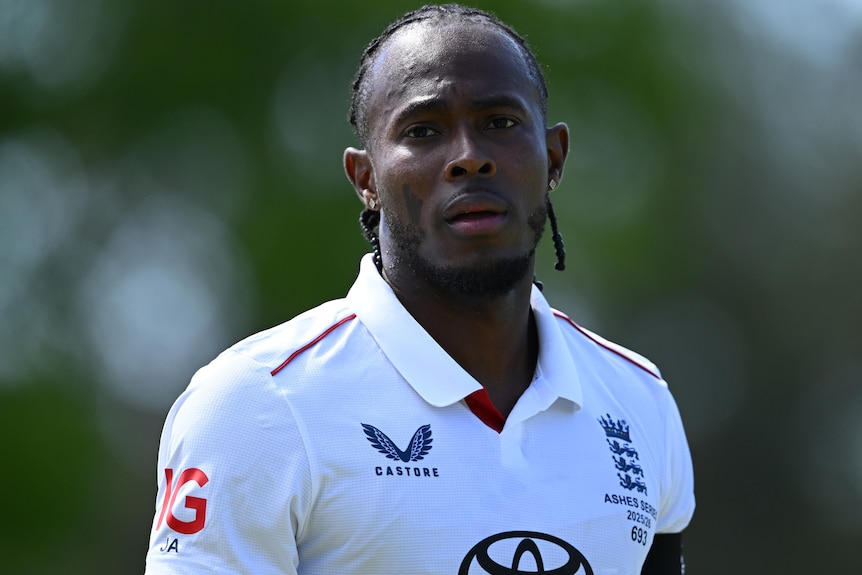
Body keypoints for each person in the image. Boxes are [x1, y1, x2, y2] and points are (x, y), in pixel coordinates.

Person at [144, 4, 695, 574]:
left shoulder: (639, 400)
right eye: (423, 131)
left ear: (553, 157)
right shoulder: (256, 404)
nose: (469, 158)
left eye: (500, 122)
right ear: (366, 180)